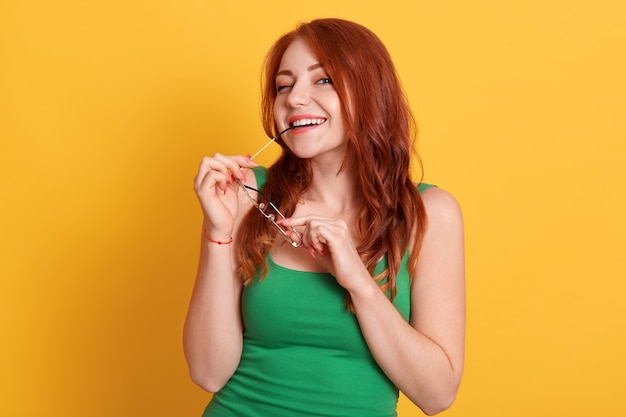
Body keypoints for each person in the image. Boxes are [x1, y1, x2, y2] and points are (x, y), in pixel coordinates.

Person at [184, 18, 465, 417]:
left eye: (323, 80)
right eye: (284, 85)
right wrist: (218, 232)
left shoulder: (429, 214)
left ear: (371, 92)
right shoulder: (246, 196)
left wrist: (357, 282)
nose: (294, 99)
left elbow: (437, 396)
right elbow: (207, 373)